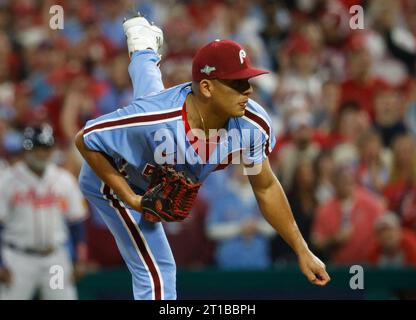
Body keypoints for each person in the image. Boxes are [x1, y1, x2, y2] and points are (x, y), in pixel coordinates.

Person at [75, 14, 330, 300]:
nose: (248, 91)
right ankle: (143, 51)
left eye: (247, 81)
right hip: (113, 174)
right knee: (159, 270)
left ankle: (143, 47)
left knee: (149, 101)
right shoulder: (157, 118)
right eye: (236, 84)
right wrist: (132, 199)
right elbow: (85, 140)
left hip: (158, 151)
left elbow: (266, 187)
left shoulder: (251, 125)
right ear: (207, 87)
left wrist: (302, 249)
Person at [0, 124, 87, 300]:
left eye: (46, 148)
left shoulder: (63, 179)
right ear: (26, 149)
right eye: (38, 148)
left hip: (54, 259)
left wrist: (80, 257)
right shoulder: (7, 180)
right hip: (17, 259)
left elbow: (76, 222)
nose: (42, 153)